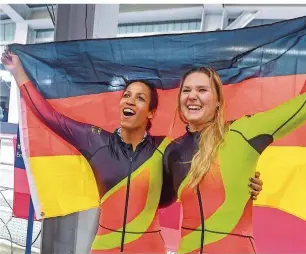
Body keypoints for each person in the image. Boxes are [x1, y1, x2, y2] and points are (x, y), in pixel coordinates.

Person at [1, 51, 263, 253]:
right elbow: (48, 115)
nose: (130, 100)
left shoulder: (166, 149)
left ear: (150, 112)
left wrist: (244, 183)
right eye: (127, 95)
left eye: (140, 98)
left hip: (149, 248)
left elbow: (195, 176)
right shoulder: (96, 141)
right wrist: (18, 72)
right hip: (105, 247)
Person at [163, 5, 306, 254]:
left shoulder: (244, 131)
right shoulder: (172, 151)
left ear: (218, 100)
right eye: (186, 90)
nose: (192, 96)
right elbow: (154, 198)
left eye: (202, 90)